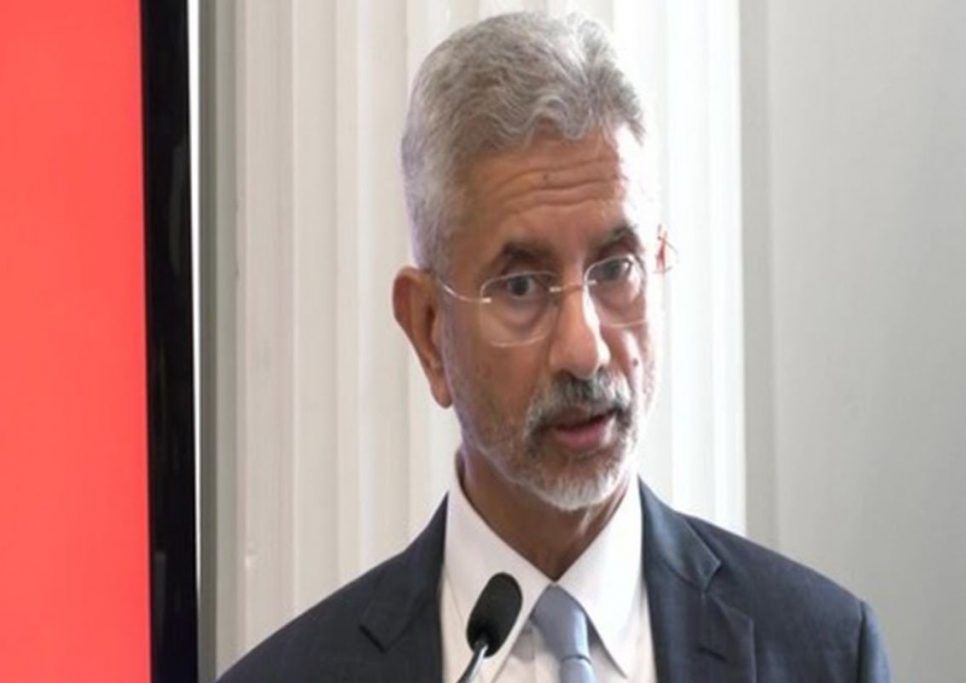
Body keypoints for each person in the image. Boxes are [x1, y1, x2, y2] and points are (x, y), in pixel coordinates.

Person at [219, 12, 890, 682]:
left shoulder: (826, 655)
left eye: (617, 267)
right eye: (520, 286)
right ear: (428, 330)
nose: (584, 349)